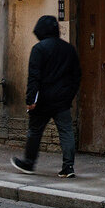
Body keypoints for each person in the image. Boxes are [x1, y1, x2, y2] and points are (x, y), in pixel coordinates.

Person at [12, 15, 82, 178]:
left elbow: (34, 77)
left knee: (35, 131)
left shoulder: (39, 49)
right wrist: (69, 95)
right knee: (66, 132)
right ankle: (68, 167)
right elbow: (76, 76)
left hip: (42, 100)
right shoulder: (69, 49)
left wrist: (31, 100)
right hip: (62, 100)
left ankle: (29, 163)